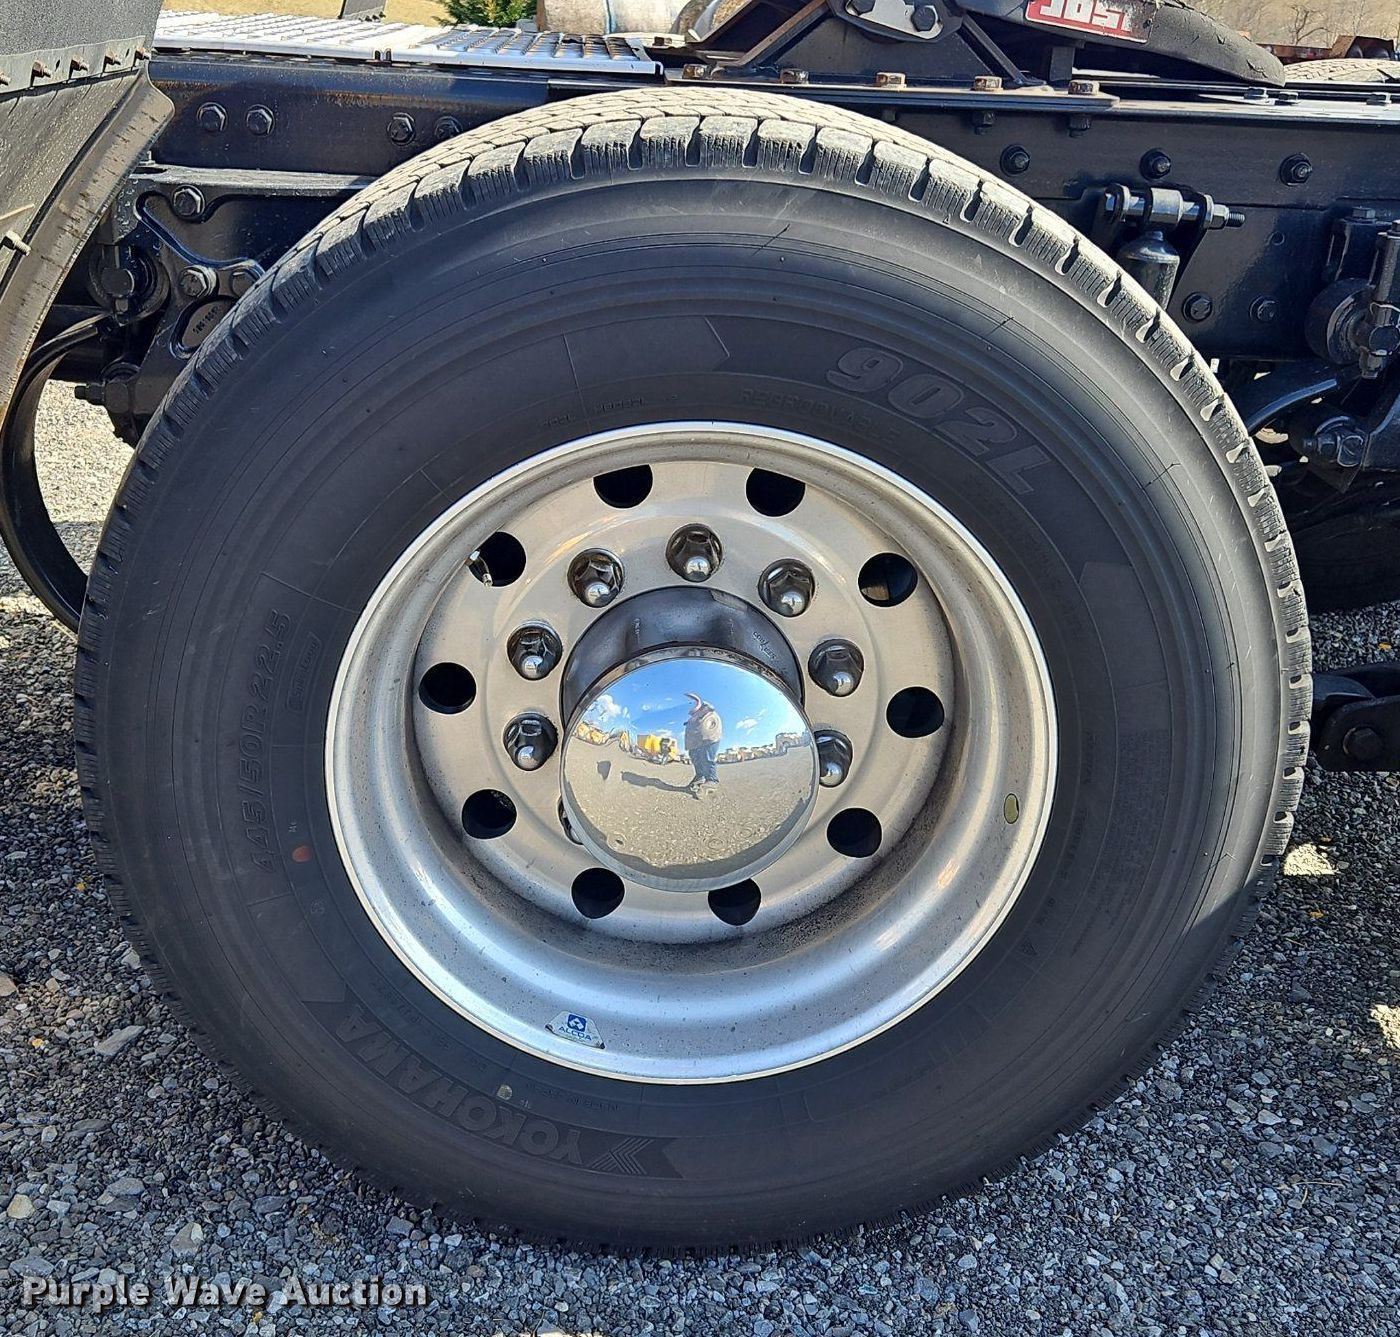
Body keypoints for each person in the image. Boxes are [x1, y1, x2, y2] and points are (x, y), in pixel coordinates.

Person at [683, 693, 722, 797]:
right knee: (695, 758)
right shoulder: (693, 717)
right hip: (696, 741)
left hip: (709, 738)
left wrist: (696, 700)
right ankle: (699, 777)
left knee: (707, 758)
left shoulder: (706, 710)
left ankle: (711, 780)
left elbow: (707, 708)